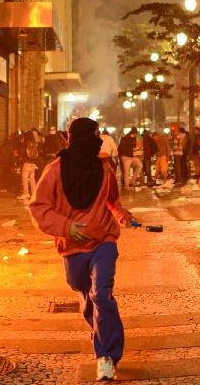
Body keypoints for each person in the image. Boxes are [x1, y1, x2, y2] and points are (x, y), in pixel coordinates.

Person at [28, 117, 136, 381]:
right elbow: (39, 207)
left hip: (104, 242)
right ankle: (100, 329)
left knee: (101, 294)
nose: (98, 139)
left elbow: (112, 201)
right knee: (85, 291)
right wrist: (66, 226)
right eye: (95, 134)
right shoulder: (55, 170)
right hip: (72, 247)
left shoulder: (104, 167)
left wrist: (123, 216)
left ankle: (107, 357)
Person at [18, 131, 40, 203]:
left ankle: (26, 193)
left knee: (24, 178)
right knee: (32, 179)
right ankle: (34, 193)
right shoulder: (34, 144)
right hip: (33, 163)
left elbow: (23, 153)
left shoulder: (26, 143)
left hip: (27, 163)